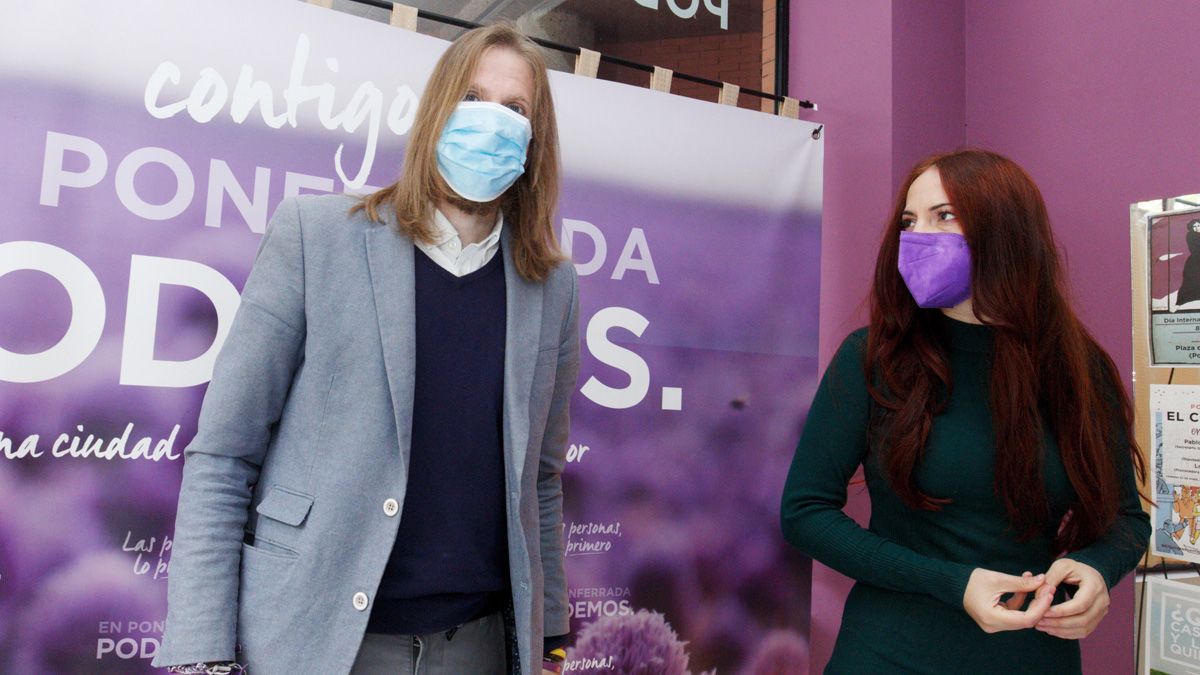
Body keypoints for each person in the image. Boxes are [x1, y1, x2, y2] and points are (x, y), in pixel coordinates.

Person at [153, 23, 578, 675]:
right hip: (319, 639)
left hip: (479, 646)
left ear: (534, 139)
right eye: (472, 99)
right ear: (437, 112)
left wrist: (550, 640)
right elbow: (224, 452)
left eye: (514, 109)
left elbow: (540, 478)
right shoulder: (316, 237)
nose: (491, 122)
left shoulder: (551, 285)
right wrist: (202, 652)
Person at [780, 148, 1149, 674]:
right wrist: (954, 583)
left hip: (1034, 658)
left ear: (1006, 232)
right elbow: (804, 513)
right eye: (910, 221)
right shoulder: (872, 358)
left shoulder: (1077, 368)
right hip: (890, 656)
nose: (918, 236)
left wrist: (1094, 569)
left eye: (943, 216)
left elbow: (1126, 520)